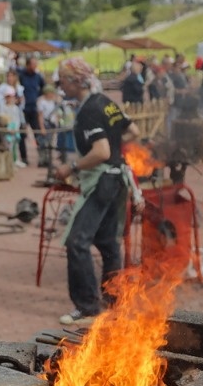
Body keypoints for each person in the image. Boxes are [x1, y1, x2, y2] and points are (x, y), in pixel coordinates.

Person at [54, 57, 140, 324]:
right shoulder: (106, 102)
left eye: (62, 80)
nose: (60, 86)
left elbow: (101, 152)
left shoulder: (90, 109)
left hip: (102, 181)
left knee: (77, 241)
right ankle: (114, 302)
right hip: (117, 180)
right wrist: (114, 146)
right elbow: (133, 131)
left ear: (75, 81)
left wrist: (72, 167)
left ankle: (88, 307)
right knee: (106, 243)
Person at [17, 56, 46, 167]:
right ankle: (24, 158)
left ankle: (42, 158)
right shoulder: (21, 76)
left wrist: (38, 97)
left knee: (38, 134)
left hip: (34, 109)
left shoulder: (38, 77)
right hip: (23, 109)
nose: (35, 66)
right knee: (22, 135)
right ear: (28, 65)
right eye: (33, 64)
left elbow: (43, 87)